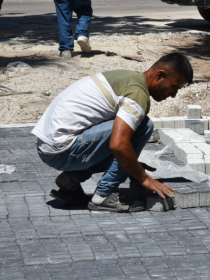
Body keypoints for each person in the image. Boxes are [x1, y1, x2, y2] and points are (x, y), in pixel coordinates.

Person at [34, 53, 193, 212]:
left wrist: (133, 165)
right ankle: (104, 195)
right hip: (62, 150)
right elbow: (118, 145)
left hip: (48, 147)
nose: (173, 95)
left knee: (125, 142)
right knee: (143, 126)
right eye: (174, 87)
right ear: (160, 76)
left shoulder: (128, 78)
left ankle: (69, 180)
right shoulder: (138, 95)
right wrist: (144, 179)